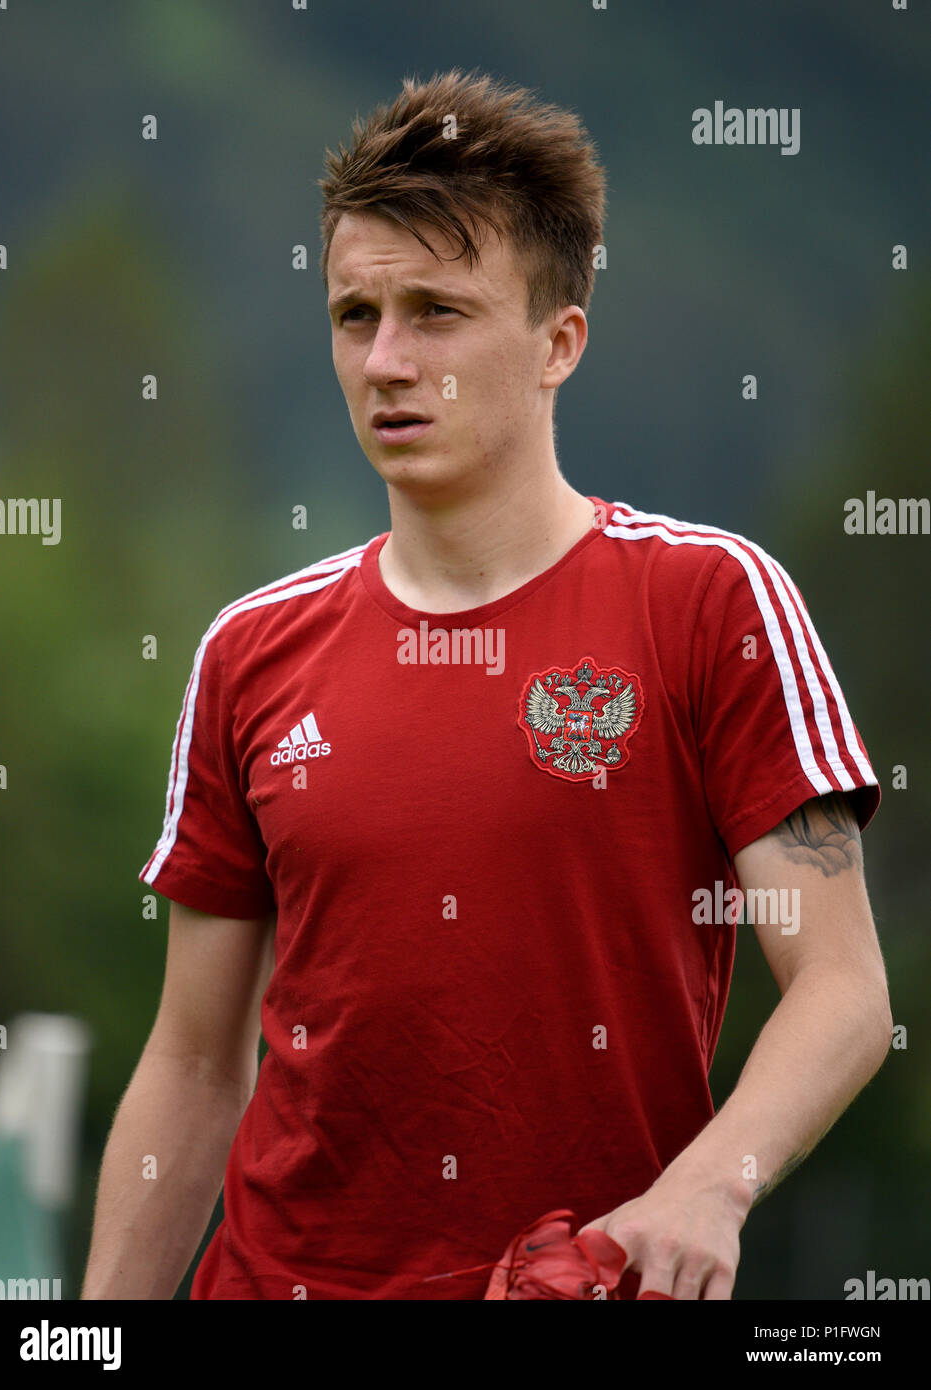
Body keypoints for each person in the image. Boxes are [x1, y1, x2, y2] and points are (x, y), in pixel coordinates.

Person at [81, 68, 892, 1302]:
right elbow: (194, 1065)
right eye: (358, 315)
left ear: (558, 340)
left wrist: (704, 1186)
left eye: (438, 313)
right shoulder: (251, 648)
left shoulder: (712, 605)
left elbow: (841, 991)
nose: (388, 360)